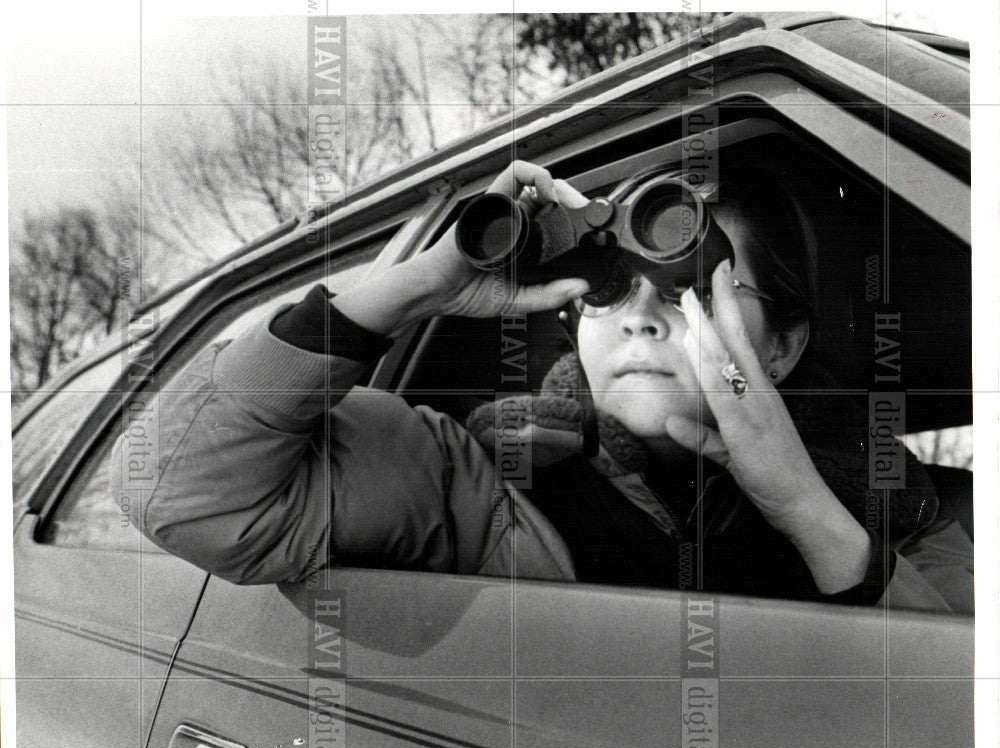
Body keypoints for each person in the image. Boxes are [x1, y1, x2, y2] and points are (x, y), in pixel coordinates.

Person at [110, 160, 974, 613]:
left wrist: (804, 506)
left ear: (780, 346)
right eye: (607, 289)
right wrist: (418, 284)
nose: (638, 317)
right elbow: (171, 487)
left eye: (686, 288)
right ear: (577, 320)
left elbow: (953, 723)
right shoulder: (485, 478)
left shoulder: (911, 510)